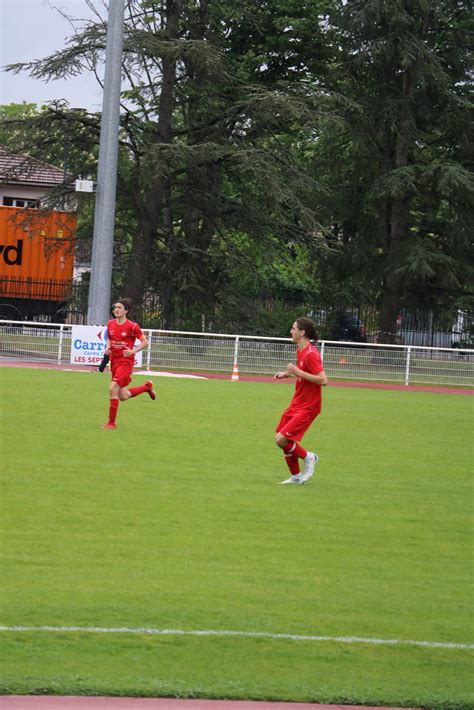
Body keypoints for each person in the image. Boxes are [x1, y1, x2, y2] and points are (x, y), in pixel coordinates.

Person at [274, 317, 327, 484]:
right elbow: (301, 371)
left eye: (293, 328)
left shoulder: (311, 354)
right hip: (297, 402)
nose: (291, 331)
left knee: (281, 440)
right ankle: (296, 477)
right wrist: (287, 374)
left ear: (302, 332)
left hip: (308, 406)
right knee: (282, 439)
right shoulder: (301, 350)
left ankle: (309, 457)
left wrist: (297, 371)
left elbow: (323, 380)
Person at [101, 298, 156, 429]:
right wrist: (108, 347)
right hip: (114, 361)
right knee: (123, 396)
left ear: (126, 310)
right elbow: (109, 337)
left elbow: (145, 342)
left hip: (125, 363)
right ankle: (146, 387)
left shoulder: (132, 326)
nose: (116, 310)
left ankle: (111, 423)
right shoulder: (110, 324)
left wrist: (132, 351)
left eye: (119, 308)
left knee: (112, 388)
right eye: (115, 308)